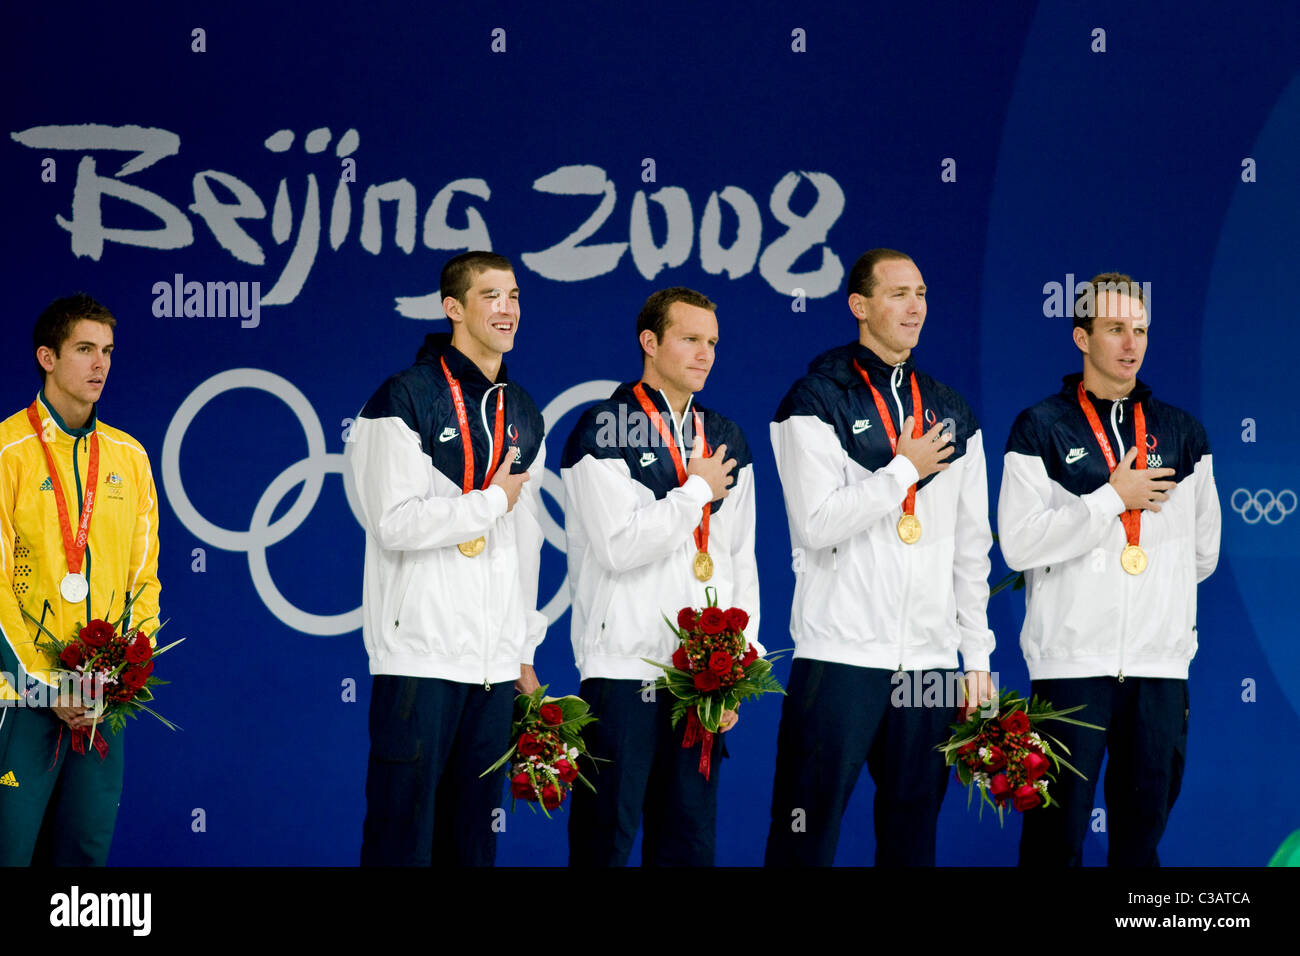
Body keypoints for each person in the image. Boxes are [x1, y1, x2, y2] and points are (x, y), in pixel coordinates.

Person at [764, 249, 995, 867]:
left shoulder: (953, 411)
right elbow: (816, 525)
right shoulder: (813, 399)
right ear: (859, 306)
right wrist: (902, 471)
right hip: (840, 658)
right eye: (897, 293)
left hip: (928, 665)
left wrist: (975, 659)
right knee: (803, 838)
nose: (915, 306)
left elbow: (972, 548)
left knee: (913, 841)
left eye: (920, 292)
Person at [998, 272, 1220, 866]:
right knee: (1053, 840)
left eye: (1141, 330)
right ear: (1081, 336)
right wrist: (1108, 500)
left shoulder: (1183, 434)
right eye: (1116, 329)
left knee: (1141, 843)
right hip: (1071, 666)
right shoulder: (1041, 426)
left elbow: (1204, 554)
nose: (1132, 343)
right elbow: (1019, 545)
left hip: (1158, 668)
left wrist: (1153, 602)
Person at [347, 251, 547, 866]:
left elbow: (527, 543)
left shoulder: (524, 412)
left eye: (513, 295)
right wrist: (489, 503)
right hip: (421, 658)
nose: (507, 308)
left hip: (491, 667)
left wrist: (522, 649)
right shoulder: (403, 397)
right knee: (401, 840)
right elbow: (391, 522)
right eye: (490, 295)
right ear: (453, 308)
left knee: (473, 846)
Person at [562, 287, 759, 867]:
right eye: (691, 339)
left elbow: (739, 559)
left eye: (713, 343)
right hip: (623, 670)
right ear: (649, 342)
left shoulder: (726, 436)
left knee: (688, 847)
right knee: (605, 842)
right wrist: (696, 489)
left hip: (698, 679)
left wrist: (739, 668)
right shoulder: (603, 428)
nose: (706, 354)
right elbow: (620, 546)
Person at [0, 293, 161, 866]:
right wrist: (48, 684)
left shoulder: (131, 457)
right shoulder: (6, 453)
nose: (101, 366)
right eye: (85, 350)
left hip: (99, 705)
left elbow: (145, 580)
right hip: (20, 701)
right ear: (47, 357)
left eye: (108, 352)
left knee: (84, 860)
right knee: (11, 851)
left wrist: (117, 676)